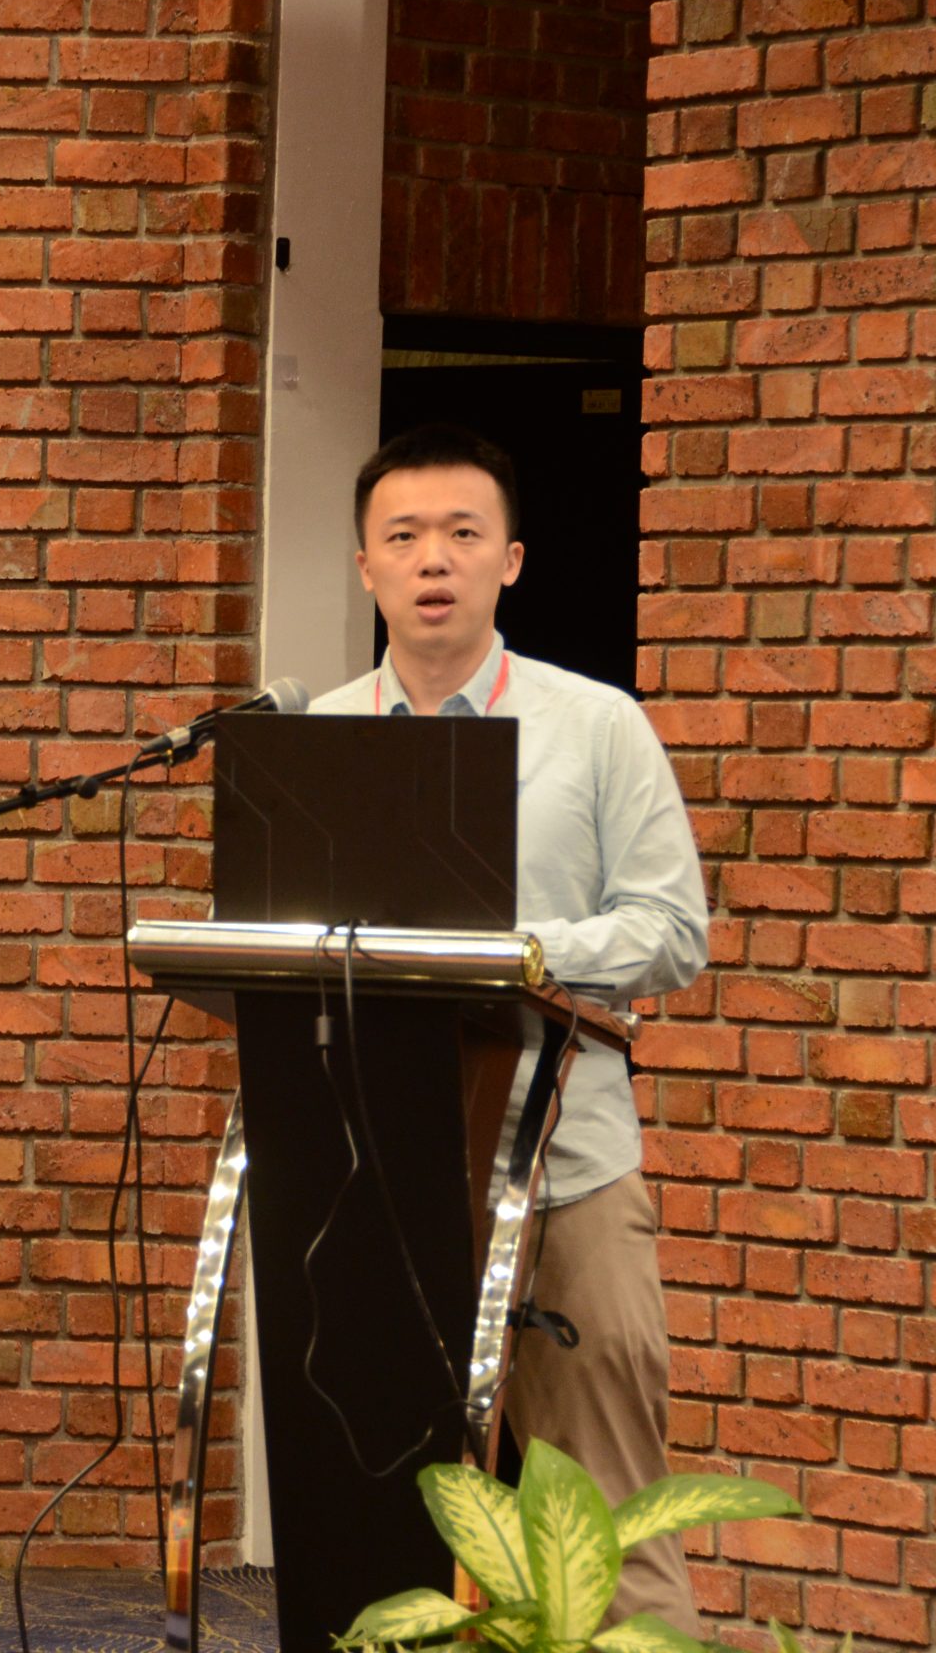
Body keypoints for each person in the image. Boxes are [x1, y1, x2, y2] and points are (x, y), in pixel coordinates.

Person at [310, 423, 711, 1633]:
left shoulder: (596, 724)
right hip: (377, 1180)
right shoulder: (318, 733)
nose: (432, 559)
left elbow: (672, 931)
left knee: (602, 1525)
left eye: (461, 533)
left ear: (511, 560)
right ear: (364, 565)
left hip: (563, 1167)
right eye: (402, 536)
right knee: (382, 1517)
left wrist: (522, 949)